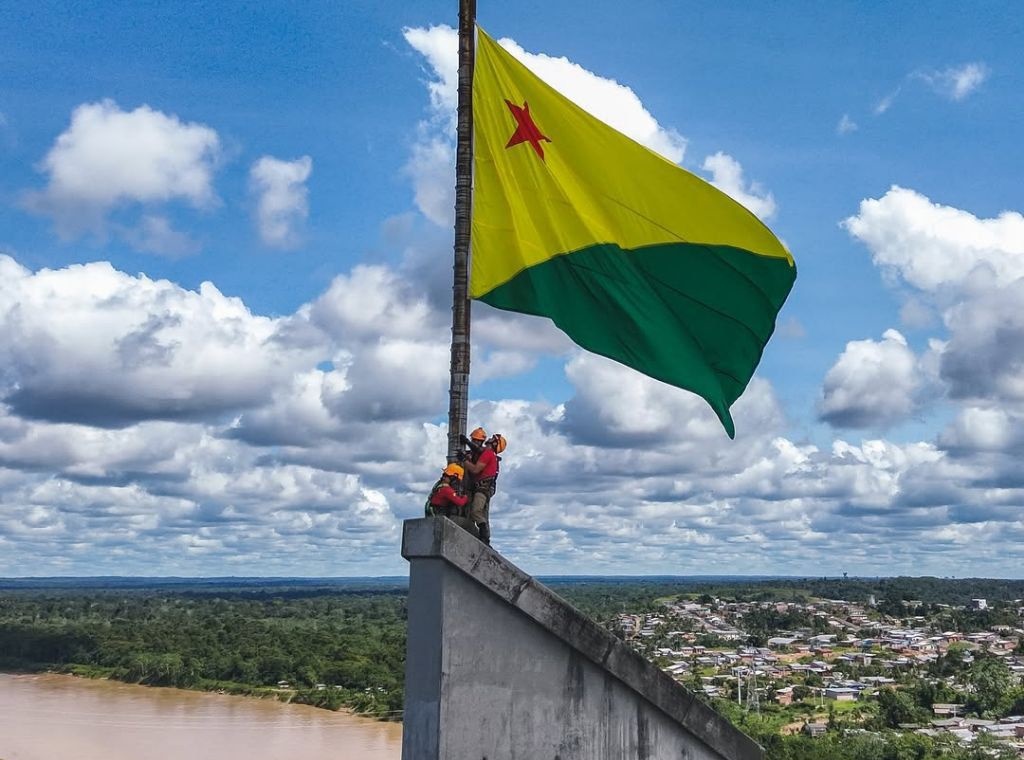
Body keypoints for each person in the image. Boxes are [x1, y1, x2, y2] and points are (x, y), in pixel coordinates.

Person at [461, 432, 506, 546]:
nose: (489, 439)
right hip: (484, 487)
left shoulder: (488, 454)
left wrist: (464, 460)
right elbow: (478, 450)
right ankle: (484, 538)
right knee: (481, 513)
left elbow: (475, 470)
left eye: (493, 439)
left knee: (476, 511)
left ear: (495, 443)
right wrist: (467, 442)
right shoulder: (490, 454)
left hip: (482, 488)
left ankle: (484, 537)